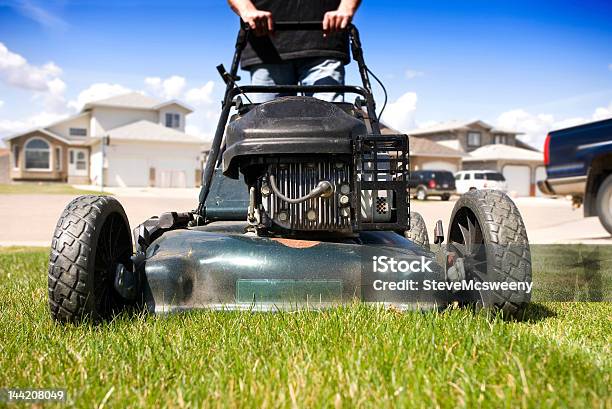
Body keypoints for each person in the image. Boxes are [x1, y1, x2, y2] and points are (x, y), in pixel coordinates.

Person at [227, 0, 362, 102]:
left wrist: (346, 7)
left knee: (330, 127)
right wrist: (246, 8)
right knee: (266, 127)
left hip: (324, 44)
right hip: (266, 48)